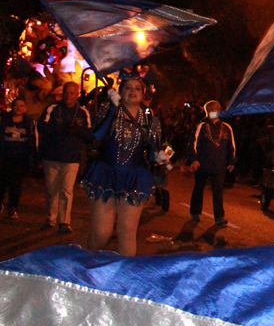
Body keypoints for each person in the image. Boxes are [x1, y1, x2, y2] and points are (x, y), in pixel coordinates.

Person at [82, 79, 165, 256]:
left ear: (143, 94)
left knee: (127, 233)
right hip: (106, 175)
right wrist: (112, 109)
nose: (132, 91)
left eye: (137, 88)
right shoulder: (109, 110)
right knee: (101, 233)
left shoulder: (151, 118)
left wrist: (159, 156)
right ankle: (87, 268)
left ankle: (125, 277)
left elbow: (152, 152)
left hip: (133, 178)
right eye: (128, 88)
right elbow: (96, 136)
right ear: (120, 91)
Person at [37, 81, 93, 233]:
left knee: (67, 190)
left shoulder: (82, 112)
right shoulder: (53, 109)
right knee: (51, 189)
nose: (68, 96)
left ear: (77, 95)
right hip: (52, 156)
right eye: (66, 92)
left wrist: (77, 130)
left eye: (72, 93)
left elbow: (89, 134)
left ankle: (64, 222)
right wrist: (59, 128)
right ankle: (50, 219)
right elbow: (41, 126)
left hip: (71, 157)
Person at [187, 101, 235, 225]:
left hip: (219, 165)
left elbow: (231, 146)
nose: (213, 112)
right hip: (202, 164)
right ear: (207, 112)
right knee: (199, 188)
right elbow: (193, 144)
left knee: (218, 191)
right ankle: (195, 212)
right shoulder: (201, 126)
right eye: (211, 110)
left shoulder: (226, 128)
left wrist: (232, 160)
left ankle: (219, 217)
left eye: (216, 110)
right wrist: (194, 159)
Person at [0, 98, 37, 218]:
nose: (18, 108)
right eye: (16, 105)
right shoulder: (4, 120)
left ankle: (13, 207)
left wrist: (33, 157)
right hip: (5, 157)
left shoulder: (28, 123)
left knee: (16, 184)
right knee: (2, 182)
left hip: (20, 158)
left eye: (21, 105)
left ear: (25, 108)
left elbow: (33, 140)